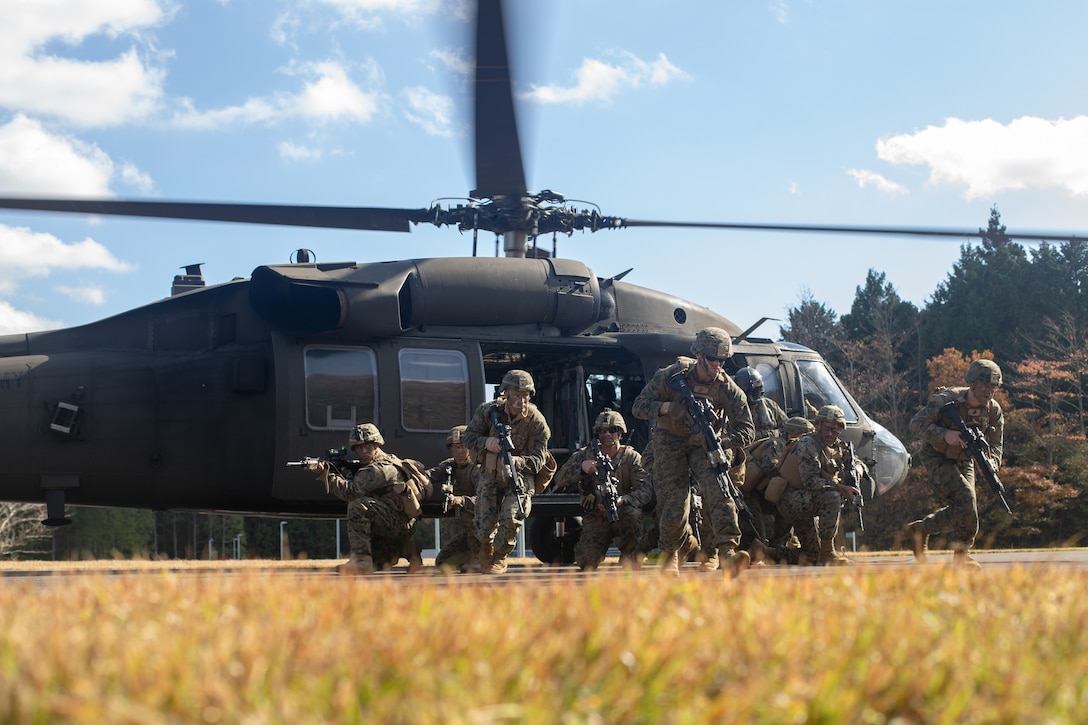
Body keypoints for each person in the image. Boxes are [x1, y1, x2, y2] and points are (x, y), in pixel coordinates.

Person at [632, 327, 756, 577]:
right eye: (712, 359)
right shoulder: (670, 376)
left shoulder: (727, 388)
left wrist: (722, 439)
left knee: (720, 490)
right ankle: (669, 555)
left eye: (722, 360)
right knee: (675, 500)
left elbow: (747, 430)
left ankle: (728, 553)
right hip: (669, 440)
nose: (717, 365)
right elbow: (639, 407)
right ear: (698, 355)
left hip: (705, 443)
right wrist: (667, 408)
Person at [907, 359, 1004, 567]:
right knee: (966, 499)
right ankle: (960, 558)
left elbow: (996, 445)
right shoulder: (946, 401)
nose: (989, 391)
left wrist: (991, 463)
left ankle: (923, 530)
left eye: (993, 387)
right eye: (985, 385)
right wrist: (945, 434)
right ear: (972, 384)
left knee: (968, 510)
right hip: (937, 455)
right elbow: (915, 424)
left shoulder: (993, 411)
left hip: (965, 458)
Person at [308, 423, 430, 574]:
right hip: (400, 523)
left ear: (377, 444)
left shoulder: (378, 469)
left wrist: (326, 474)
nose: (363, 451)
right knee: (380, 564)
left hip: (397, 524)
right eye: (359, 448)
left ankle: (361, 560)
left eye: (368, 446)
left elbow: (350, 492)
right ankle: (408, 549)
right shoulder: (390, 459)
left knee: (358, 505)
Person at [463, 369, 550, 574]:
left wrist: (518, 461)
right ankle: (486, 549)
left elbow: (539, 459)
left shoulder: (537, 422)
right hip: (491, 472)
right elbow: (467, 437)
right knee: (483, 523)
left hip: (520, 475)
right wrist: (487, 442)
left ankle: (500, 555)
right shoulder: (487, 412)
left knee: (512, 516)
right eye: (518, 394)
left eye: (526, 395)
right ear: (506, 393)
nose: (522, 399)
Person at [554, 409, 653, 570]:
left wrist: (624, 500)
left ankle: (630, 554)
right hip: (596, 517)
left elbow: (645, 488)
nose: (607, 434)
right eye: (602, 431)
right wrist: (581, 468)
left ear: (620, 433)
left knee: (633, 515)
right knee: (586, 562)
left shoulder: (631, 457)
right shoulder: (586, 454)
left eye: (612, 430)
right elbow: (559, 478)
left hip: (622, 513)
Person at [775, 405, 863, 566]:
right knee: (832, 497)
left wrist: (859, 468)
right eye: (827, 429)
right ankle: (828, 552)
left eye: (835, 431)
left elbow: (854, 461)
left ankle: (765, 552)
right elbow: (811, 481)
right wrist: (842, 488)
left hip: (807, 501)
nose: (830, 434)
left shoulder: (838, 446)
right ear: (819, 425)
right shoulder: (808, 444)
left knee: (811, 557)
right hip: (793, 501)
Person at [742, 415, 814, 562]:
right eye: (804, 436)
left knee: (788, 511)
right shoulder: (776, 444)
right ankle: (752, 554)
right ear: (793, 434)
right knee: (757, 535)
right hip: (752, 495)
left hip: (771, 495)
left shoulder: (794, 450)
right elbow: (772, 467)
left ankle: (775, 549)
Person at [428, 425, 481, 572]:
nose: (459, 451)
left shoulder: (478, 469)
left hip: (485, 528)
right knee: (443, 563)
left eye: (463, 447)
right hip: (469, 532)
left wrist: (459, 500)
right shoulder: (449, 466)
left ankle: (481, 557)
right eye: (455, 447)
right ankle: (470, 556)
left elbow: (484, 502)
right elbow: (429, 476)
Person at [734, 367, 789, 441]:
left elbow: (787, 427)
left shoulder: (770, 405)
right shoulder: (733, 408)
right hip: (749, 449)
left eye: (755, 389)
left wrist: (776, 433)